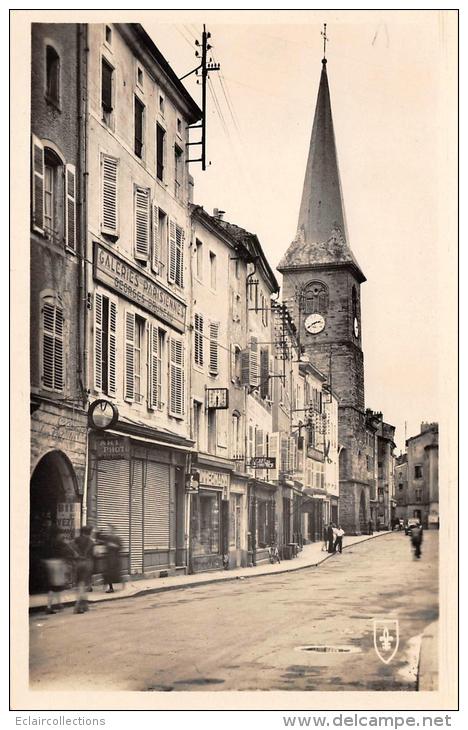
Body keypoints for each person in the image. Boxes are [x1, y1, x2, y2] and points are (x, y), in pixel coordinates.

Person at [43, 527, 72, 614]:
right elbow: (69, 550)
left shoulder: (47, 541)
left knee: (56, 585)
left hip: (49, 563)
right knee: (55, 586)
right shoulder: (60, 542)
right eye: (61, 533)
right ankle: (49, 607)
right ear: (58, 534)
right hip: (57, 563)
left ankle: (59, 604)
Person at [72, 525, 95, 613]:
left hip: (79, 563)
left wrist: (76, 554)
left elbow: (70, 545)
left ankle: (84, 605)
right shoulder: (91, 542)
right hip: (88, 563)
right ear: (89, 532)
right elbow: (94, 554)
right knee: (84, 585)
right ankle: (79, 606)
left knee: (81, 584)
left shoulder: (77, 539)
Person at [100, 524, 123, 593]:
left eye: (109, 529)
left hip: (114, 559)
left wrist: (113, 545)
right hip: (108, 558)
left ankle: (111, 588)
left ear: (113, 530)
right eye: (107, 529)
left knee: (111, 573)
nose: (107, 530)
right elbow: (101, 540)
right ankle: (109, 586)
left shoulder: (117, 538)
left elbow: (120, 547)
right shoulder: (108, 538)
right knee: (107, 573)